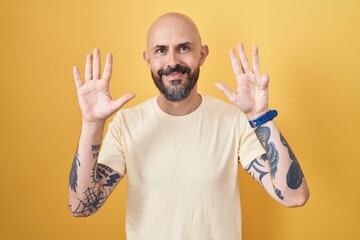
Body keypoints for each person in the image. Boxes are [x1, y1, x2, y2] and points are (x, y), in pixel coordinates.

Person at [68, 12, 309, 239]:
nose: (172, 62)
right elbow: (82, 207)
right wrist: (92, 124)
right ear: (148, 59)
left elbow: (294, 196)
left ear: (202, 55)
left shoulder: (234, 121)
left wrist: (261, 115)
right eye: (161, 50)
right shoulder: (126, 124)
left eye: (183, 48)